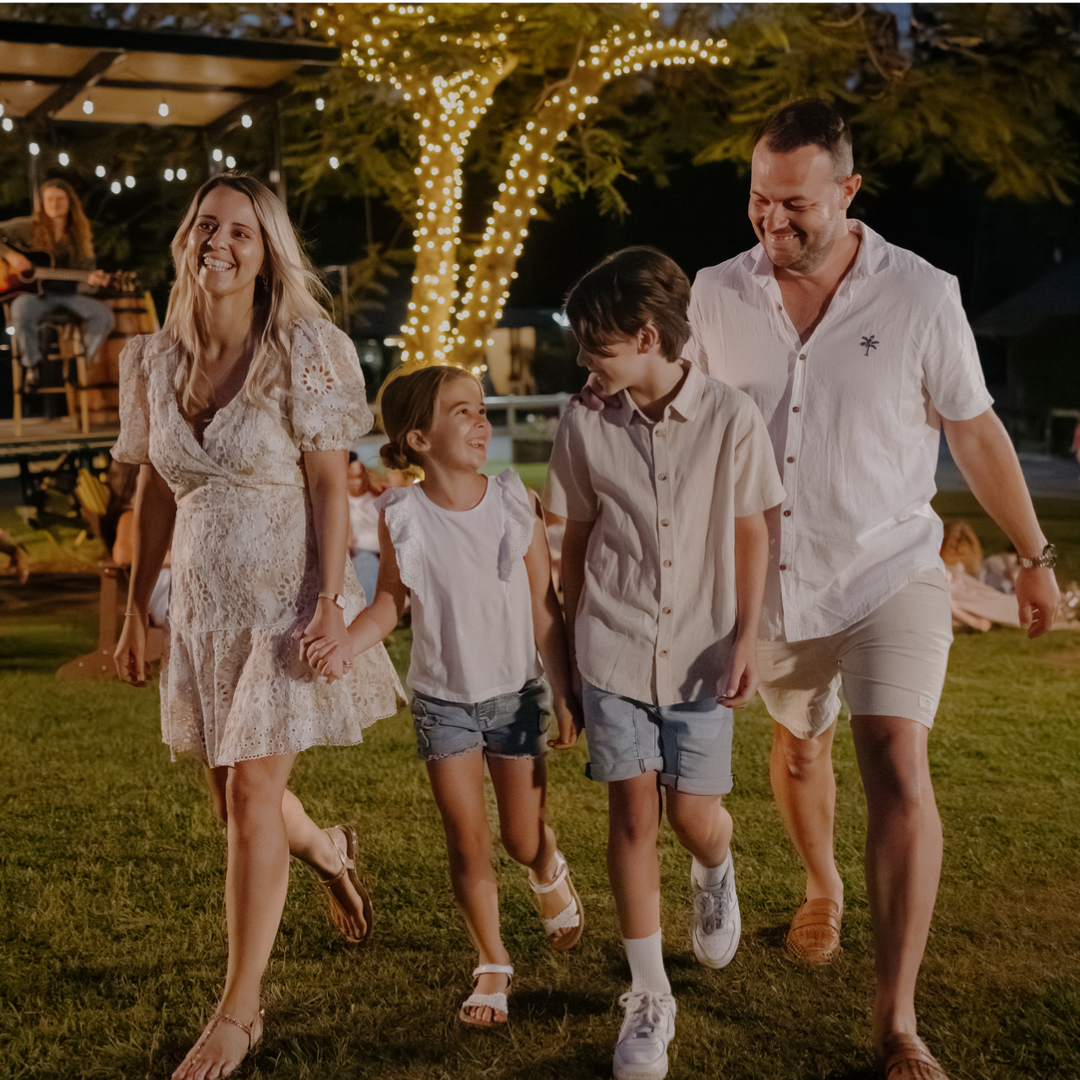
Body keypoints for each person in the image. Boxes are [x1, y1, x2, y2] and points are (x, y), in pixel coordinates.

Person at [685, 100, 1060, 1079]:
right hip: (769, 584)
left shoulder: (921, 295)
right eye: (760, 201)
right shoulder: (714, 293)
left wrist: (1032, 555)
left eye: (797, 204)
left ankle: (896, 1020)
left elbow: (974, 430)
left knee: (897, 761)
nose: (773, 222)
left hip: (891, 565)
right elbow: (679, 425)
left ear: (848, 194)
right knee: (799, 748)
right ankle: (822, 888)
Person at [112, 173, 404, 1080]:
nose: (221, 243)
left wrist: (329, 596)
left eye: (243, 231)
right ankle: (327, 848)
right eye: (208, 225)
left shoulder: (305, 348)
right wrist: (135, 611)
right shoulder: (152, 361)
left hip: (284, 595)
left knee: (247, 797)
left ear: (266, 248)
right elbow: (154, 490)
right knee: (235, 795)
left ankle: (240, 1012)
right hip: (201, 606)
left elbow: (328, 480)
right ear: (185, 240)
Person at [544, 247, 784, 1080]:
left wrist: (747, 634)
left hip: (701, 657)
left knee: (692, 816)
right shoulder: (583, 422)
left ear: (648, 337)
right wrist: (565, 654)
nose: (585, 362)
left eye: (598, 347)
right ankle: (649, 995)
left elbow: (754, 527)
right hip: (611, 646)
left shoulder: (731, 419)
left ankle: (716, 865)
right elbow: (573, 539)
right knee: (634, 818)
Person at [305, 363, 585, 1028]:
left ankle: (546, 865)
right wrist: (348, 640)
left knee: (519, 837)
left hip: (515, 698)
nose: (481, 420)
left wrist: (566, 693)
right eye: (462, 411)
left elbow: (546, 610)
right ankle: (492, 961)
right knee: (468, 841)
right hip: (442, 703)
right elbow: (391, 604)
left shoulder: (517, 500)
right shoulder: (401, 515)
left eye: (480, 407)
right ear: (420, 439)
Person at [0, 179, 114, 389]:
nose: (54, 204)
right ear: (42, 203)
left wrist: (92, 280)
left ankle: (78, 363)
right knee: (20, 308)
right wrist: (11, 256)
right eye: (49, 199)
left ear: (70, 202)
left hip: (69, 296)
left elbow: (87, 280)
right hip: (37, 297)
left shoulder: (80, 235)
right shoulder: (28, 227)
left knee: (103, 314)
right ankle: (33, 367)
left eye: (60, 199)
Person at [346, 451, 382, 602]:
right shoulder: (343, 502)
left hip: (385, 549)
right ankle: (367, 610)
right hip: (362, 551)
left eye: (361, 475)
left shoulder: (378, 498)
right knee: (364, 563)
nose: (358, 481)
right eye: (354, 477)